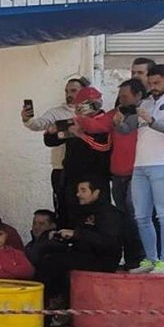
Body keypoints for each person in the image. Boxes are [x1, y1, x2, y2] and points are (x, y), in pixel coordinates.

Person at [117, 63, 164, 274]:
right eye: (150, 83)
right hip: (140, 165)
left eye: (157, 83)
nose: (153, 86)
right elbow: (128, 128)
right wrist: (119, 123)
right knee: (141, 216)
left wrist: (152, 121)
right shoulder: (145, 102)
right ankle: (150, 258)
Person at [80, 80, 148, 267]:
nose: (121, 99)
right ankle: (129, 258)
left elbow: (128, 130)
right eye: (120, 96)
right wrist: (77, 118)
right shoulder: (115, 113)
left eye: (125, 96)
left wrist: (119, 123)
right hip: (118, 173)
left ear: (138, 96)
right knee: (123, 217)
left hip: (137, 172)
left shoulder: (144, 114)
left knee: (135, 216)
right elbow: (96, 126)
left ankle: (139, 259)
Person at [34, 179, 125, 303]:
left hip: (101, 259)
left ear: (96, 193)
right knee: (44, 251)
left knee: (52, 262)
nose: (78, 194)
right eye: (78, 191)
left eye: (83, 190)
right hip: (81, 253)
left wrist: (77, 234)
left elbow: (110, 243)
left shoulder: (109, 213)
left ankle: (47, 304)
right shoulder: (81, 211)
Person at [23, 76, 90, 224]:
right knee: (64, 209)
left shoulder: (93, 113)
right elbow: (38, 124)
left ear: (84, 92)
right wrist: (27, 120)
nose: (69, 95)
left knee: (86, 212)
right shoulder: (56, 113)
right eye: (67, 91)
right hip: (61, 170)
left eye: (73, 91)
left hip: (87, 171)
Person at [44, 84, 112, 226]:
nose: (79, 108)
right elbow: (50, 140)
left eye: (84, 105)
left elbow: (104, 146)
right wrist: (51, 131)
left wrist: (81, 135)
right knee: (68, 215)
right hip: (72, 177)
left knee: (97, 218)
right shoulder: (73, 122)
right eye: (78, 105)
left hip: (96, 179)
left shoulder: (105, 122)